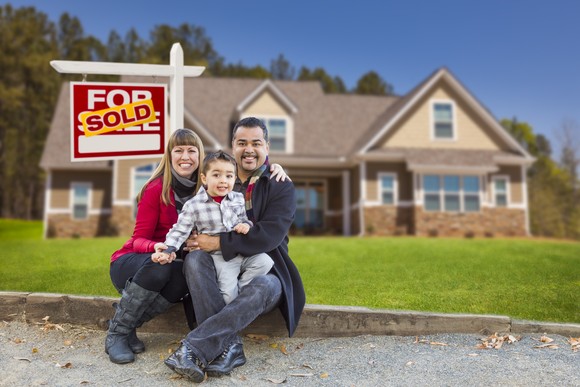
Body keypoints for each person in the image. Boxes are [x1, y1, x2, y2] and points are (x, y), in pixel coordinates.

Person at [106, 128, 288, 365]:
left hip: (175, 262)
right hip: (136, 260)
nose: (185, 156)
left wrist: (274, 166)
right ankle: (117, 333)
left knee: (183, 276)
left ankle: (129, 324)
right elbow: (137, 239)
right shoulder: (156, 189)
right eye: (178, 150)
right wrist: (160, 247)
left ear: (200, 159)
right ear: (169, 155)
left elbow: (241, 169)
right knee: (163, 266)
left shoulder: (211, 186)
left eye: (192, 151)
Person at [164, 117, 305, 383]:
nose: (249, 149)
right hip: (216, 269)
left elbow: (269, 237)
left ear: (267, 146)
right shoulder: (217, 176)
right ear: (233, 146)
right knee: (194, 260)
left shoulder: (278, 184)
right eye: (242, 143)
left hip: (264, 268)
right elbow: (179, 179)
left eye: (256, 143)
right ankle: (230, 348)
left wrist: (217, 242)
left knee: (265, 285)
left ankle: (195, 347)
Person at [154, 150, 274, 305]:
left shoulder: (237, 198)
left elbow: (243, 219)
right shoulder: (194, 205)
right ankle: (233, 302)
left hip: (241, 251)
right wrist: (168, 249)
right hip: (220, 257)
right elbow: (179, 230)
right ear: (204, 178)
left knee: (265, 261)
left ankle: (243, 289)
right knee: (228, 297)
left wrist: (245, 225)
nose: (223, 180)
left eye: (229, 176)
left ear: (234, 178)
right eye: (217, 175)